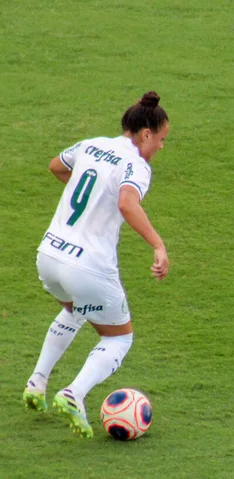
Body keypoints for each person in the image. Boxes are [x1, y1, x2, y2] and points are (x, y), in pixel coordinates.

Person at [23, 91, 170, 438]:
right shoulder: (136, 165)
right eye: (162, 139)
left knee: (75, 311)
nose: (162, 147)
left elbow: (56, 166)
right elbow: (127, 203)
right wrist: (158, 245)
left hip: (49, 256)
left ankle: (37, 381)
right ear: (145, 134)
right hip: (88, 266)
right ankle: (73, 393)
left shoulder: (91, 145)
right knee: (119, 339)